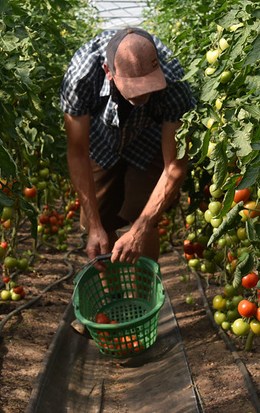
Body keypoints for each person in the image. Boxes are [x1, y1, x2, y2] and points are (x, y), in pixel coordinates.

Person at [59, 27, 196, 264]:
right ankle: (112, 296)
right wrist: (93, 226)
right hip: (101, 139)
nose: (142, 94)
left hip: (150, 138)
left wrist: (140, 230)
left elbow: (174, 166)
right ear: (108, 72)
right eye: (133, 88)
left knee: (144, 214)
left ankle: (142, 297)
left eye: (149, 86)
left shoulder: (175, 81)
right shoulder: (81, 77)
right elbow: (78, 152)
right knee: (100, 219)